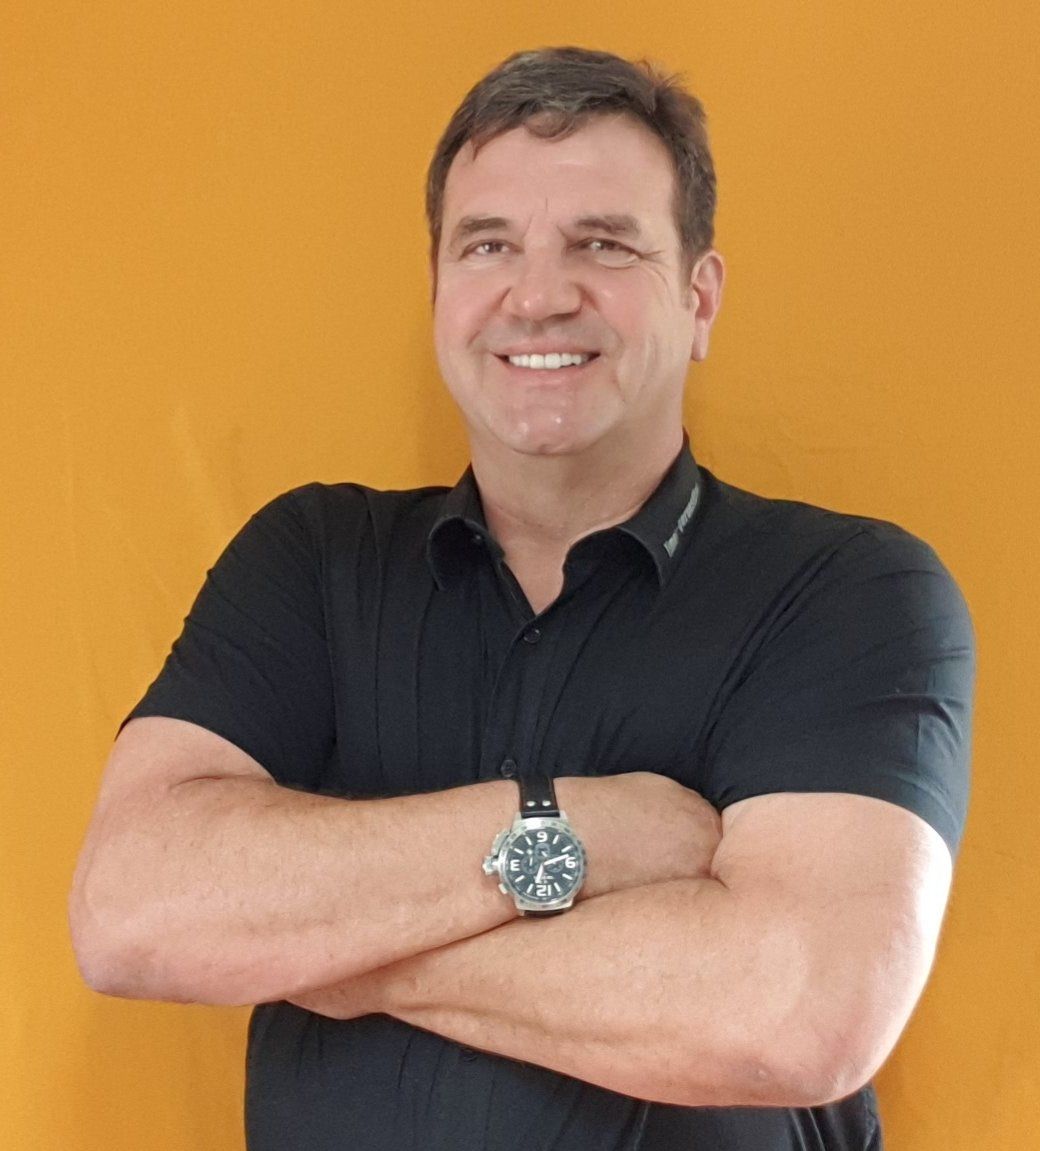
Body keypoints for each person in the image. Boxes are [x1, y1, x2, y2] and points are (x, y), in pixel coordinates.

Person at [69, 46, 974, 1151]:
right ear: (439, 292)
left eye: (603, 243)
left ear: (698, 299)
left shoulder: (848, 592)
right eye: (488, 244)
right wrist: (577, 828)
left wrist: (323, 944)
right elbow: (130, 908)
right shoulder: (310, 559)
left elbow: (795, 1011)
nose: (539, 296)